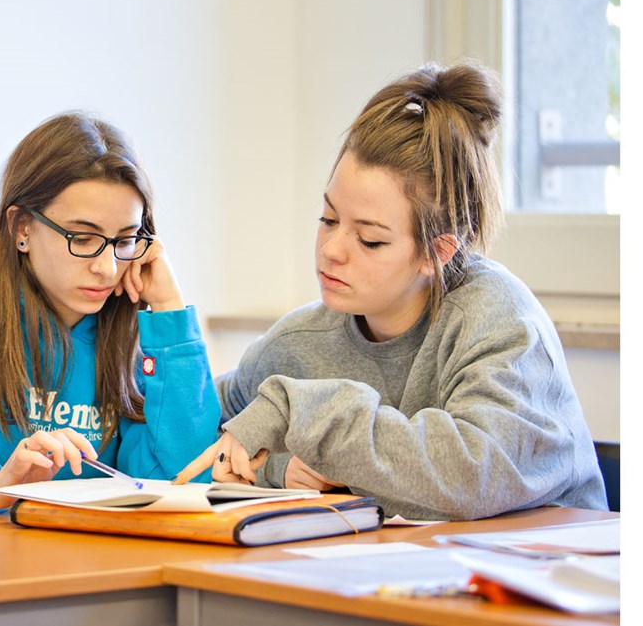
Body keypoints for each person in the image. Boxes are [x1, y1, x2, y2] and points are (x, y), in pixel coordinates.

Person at [173, 60, 607, 521]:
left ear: (436, 253)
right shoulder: (298, 343)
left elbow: (473, 476)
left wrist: (307, 413)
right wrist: (279, 469)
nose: (332, 250)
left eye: (370, 239)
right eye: (328, 219)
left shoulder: (500, 322)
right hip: (393, 570)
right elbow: (199, 430)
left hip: (542, 573)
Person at [0, 111, 220, 510]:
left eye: (125, 241)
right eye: (83, 238)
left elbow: (185, 477)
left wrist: (169, 311)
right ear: (22, 227)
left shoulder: (131, 322)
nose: (107, 268)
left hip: (92, 560)